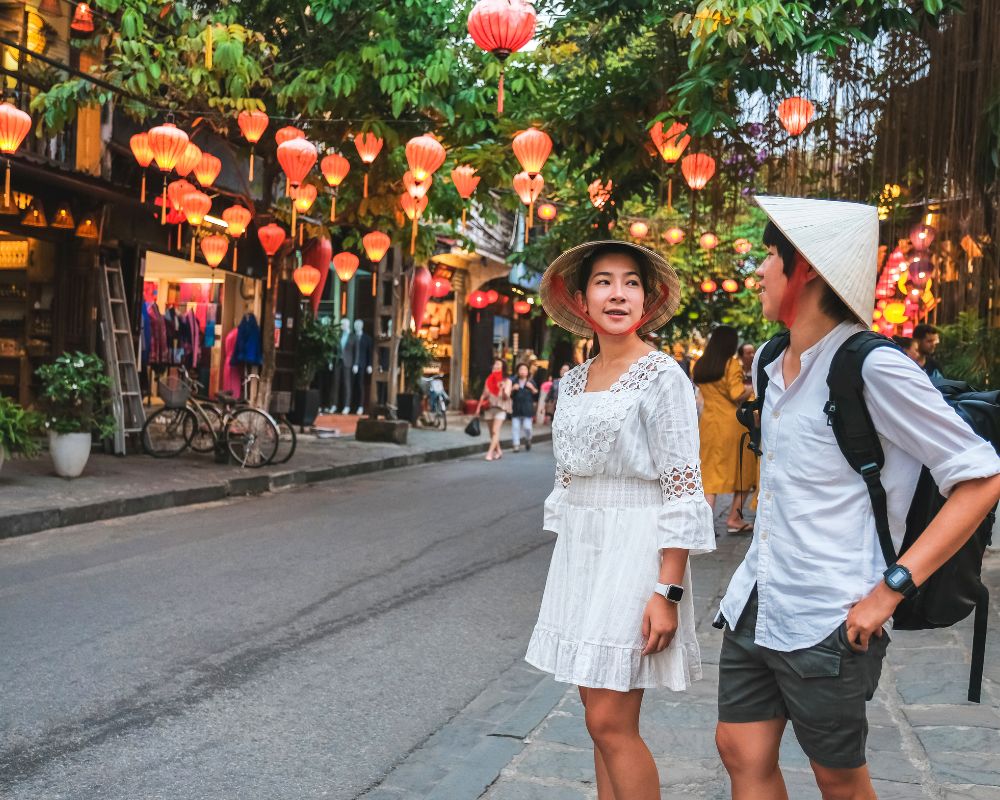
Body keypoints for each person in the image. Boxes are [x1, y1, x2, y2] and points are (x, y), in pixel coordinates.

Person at [715, 196, 1000, 800]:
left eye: (769, 256)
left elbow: (981, 476)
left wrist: (889, 591)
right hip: (759, 595)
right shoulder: (771, 360)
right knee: (739, 749)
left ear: (807, 269)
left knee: (838, 778)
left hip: (831, 613)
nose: (759, 270)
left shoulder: (873, 367)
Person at [528, 241, 715, 800]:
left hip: (636, 549)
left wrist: (668, 589)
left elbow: (682, 486)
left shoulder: (663, 376)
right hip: (583, 553)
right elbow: (569, 477)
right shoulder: (572, 380)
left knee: (612, 722)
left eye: (630, 282)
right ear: (581, 299)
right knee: (595, 717)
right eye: (604, 281)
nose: (618, 293)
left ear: (647, 299)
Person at [692, 327, 754, 533]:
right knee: (744, 471)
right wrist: (752, 388)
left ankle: (704, 524)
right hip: (731, 425)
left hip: (708, 424)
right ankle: (735, 519)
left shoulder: (701, 365)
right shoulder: (731, 364)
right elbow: (737, 394)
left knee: (710, 474)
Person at [478, 359, 511, 461]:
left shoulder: (507, 381)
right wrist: (478, 407)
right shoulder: (489, 379)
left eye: (498, 365)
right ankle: (499, 451)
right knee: (491, 433)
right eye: (495, 364)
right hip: (489, 407)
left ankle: (489, 453)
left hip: (500, 408)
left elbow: (507, 397)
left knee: (495, 431)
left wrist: (502, 388)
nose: (496, 366)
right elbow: (484, 394)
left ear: (503, 368)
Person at [510, 362, 538, 452]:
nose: (522, 371)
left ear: (527, 371)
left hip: (527, 409)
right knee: (515, 427)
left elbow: (536, 393)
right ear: (517, 371)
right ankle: (516, 445)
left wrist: (532, 388)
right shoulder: (514, 381)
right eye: (520, 369)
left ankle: (528, 439)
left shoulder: (531, 381)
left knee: (527, 427)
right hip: (516, 408)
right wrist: (512, 389)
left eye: (524, 369)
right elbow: (509, 394)